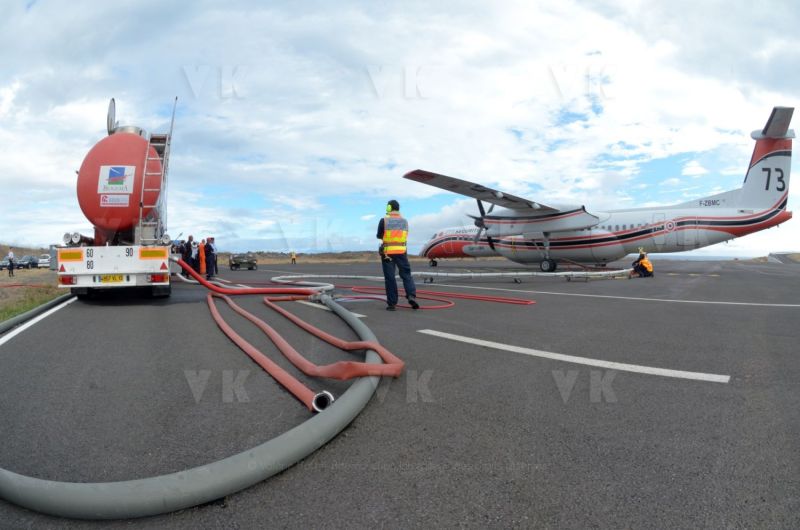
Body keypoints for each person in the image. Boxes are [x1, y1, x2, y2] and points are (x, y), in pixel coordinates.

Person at [376, 200, 419, 311]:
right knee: (406, 275)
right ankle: (411, 296)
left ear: (389, 208)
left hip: (387, 253)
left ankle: (392, 304)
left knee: (390, 278)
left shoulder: (384, 220)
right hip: (401, 252)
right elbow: (405, 235)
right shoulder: (405, 221)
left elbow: (379, 235)